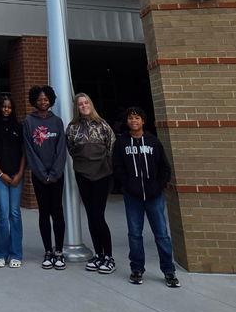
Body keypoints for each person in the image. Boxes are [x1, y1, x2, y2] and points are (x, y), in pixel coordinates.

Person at [112, 106, 181, 288]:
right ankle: (137, 269)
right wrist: (127, 185)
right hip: (132, 196)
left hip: (154, 196)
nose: (134, 121)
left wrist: (158, 187)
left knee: (162, 234)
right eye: (130, 118)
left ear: (143, 121)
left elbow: (164, 168)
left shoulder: (153, 142)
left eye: (137, 118)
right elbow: (117, 167)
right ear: (126, 121)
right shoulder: (121, 143)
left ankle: (169, 270)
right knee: (135, 234)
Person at [66, 92, 116, 273]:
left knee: (98, 216)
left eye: (86, 102)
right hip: (83, 174)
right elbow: (71, 149)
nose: (84, 106)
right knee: (90, 215)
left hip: (102, 175)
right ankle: (98, 254)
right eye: (80, 104)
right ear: (77, 107)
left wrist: (105, 166)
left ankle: (108, 256)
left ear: (91, 104)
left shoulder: (102, 125)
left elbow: (112, 147)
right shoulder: (72, 128)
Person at [23, 85, 67, 270]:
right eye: (40, 99)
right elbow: (29, 149)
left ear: (51, 100)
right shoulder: (29, 121)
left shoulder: (57, 121)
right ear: (34, 101)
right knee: (44, 212)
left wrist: (54, 173)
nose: (43, 102)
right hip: (39, 176)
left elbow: (61, 149)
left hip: (56, 176)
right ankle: (48, 251)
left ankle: (59, 251)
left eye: (46, 99)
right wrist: (42, 173)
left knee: (57, 211)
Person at [0, 94, 25, 268]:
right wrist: (1, 174)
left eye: (9, 107)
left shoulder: (19, 127)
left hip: (17, 175)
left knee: (14, 214)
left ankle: (16, 254)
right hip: (0, 176)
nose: (6, 109)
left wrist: (20, 174)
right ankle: (0, 253)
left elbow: (24, 153)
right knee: (3, 214)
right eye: (3, 106)